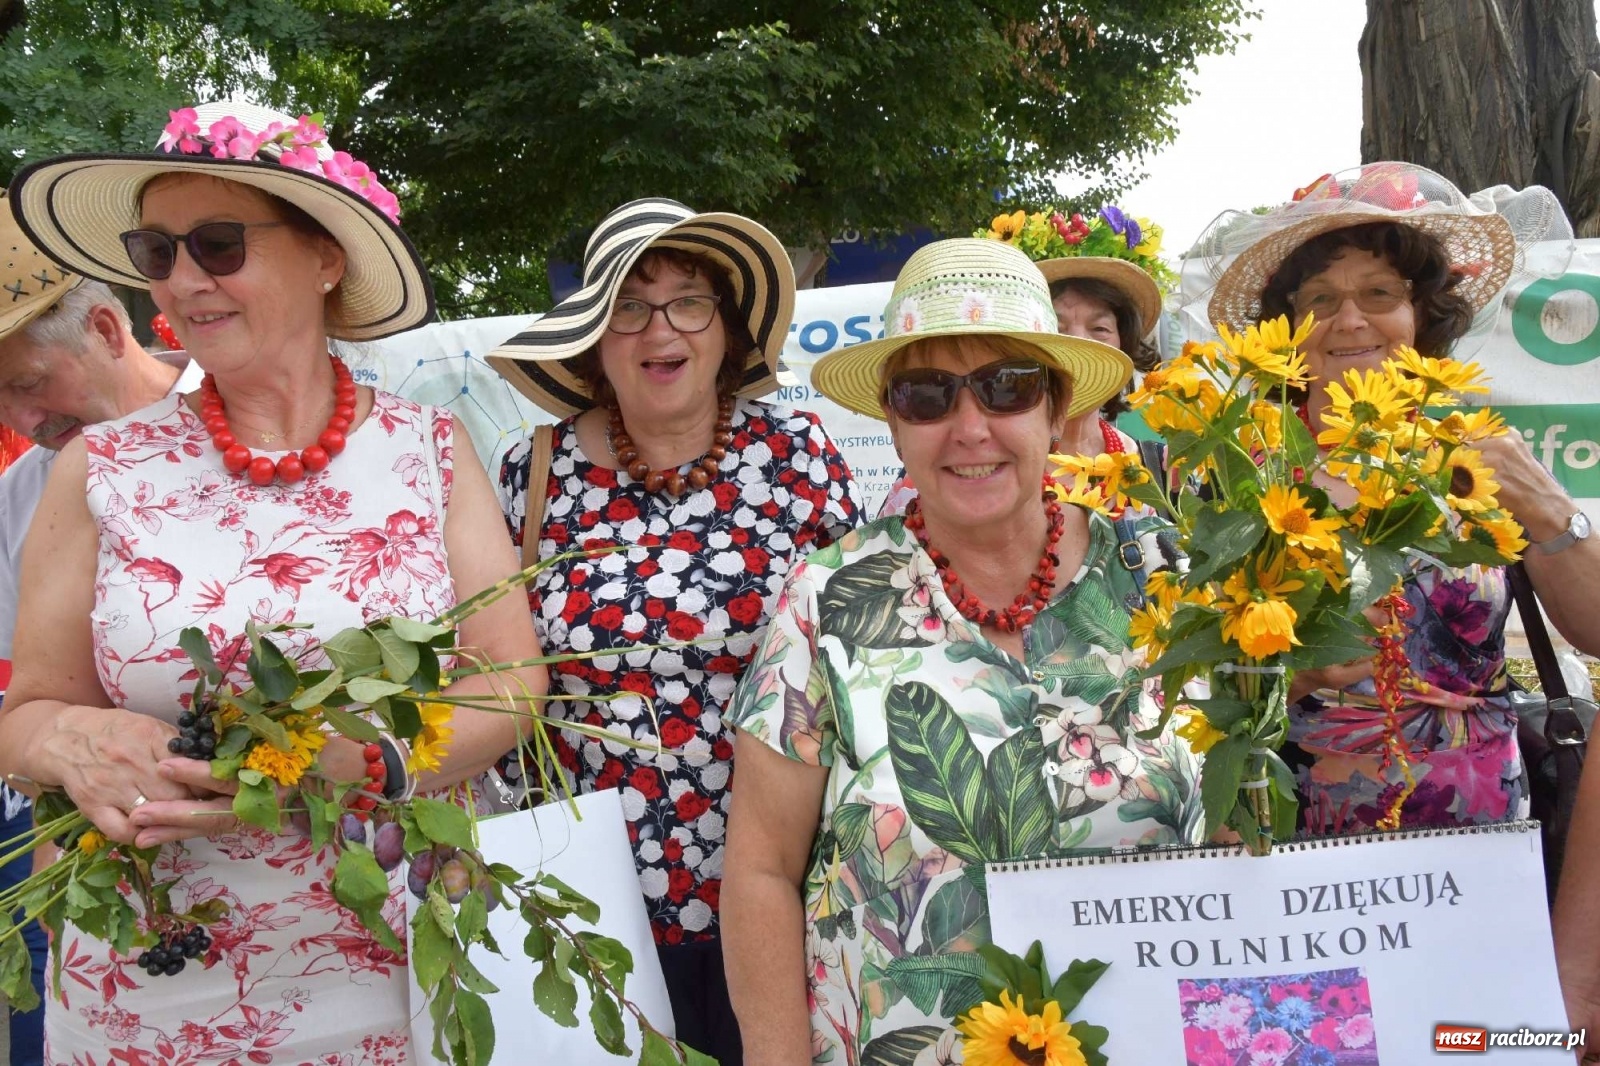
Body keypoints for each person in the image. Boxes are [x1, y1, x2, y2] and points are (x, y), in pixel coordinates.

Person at [0, 101, 543, 1059]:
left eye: (217, 243)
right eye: (156, 252)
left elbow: (513, 685)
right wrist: (71, 741)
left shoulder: (428, 452)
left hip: (395, 965)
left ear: (325, 255)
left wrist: (365, 761)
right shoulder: (102, 468)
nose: (183, 281)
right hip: (154, 980)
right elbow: (28, 711)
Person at [721, 238, 1203, 1064]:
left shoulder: (1161, 572)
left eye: (1007, 387)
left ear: (1055, 410)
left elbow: (1233, 823)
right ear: (894, 422)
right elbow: (761, 873)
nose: (970, 427)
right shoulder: (827, 601)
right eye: (928, 394)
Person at [486, 198, 862, 1065]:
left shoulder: (798, 457)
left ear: (726, 331)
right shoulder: (530, 471)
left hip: (780, 888)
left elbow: (860, 654)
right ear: (592, 335)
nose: (660, 328)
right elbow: (485, 666)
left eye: (689, 299)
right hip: (590, 902)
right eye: (627, 303)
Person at [1187, 162, 1596, 835]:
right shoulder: (1246, 480)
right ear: (1286, 330)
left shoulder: (1478, 461)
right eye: (1319, 300)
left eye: (1379, 292)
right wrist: (1298, 673)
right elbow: (1199, 695)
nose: (1349, 320)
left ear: (1421, 313)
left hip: (1481, 841)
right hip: (1298, 840)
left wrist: (1553, 512)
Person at [0, 195, 206, 1066]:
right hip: (102, 898)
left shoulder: (247, 426)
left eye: (28, 382)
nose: (21, 422)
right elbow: (26, 708)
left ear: (105, 327)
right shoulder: (21, 499)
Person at [875, 250, 1167, 518]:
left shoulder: (1160, 468)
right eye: (928, 393)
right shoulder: (940, 480)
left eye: (1099, 328)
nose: (971, 430)